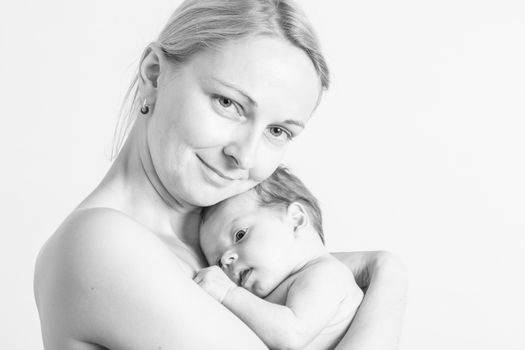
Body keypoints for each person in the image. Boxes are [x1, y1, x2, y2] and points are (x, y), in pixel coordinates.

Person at [33, 0, 407, 349]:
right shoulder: (100, 243)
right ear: (154, 74)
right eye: (228, 103)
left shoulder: (231, 247)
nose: (245, 155)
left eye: (278, 131)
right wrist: (388, 277)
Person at [196, 166, 364, 350]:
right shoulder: (277, 290)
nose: (227, 259)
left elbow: (292, 335)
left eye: (240, 235)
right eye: (219, 262)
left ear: (297, 219)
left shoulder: (326, 274)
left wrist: (228, 293)